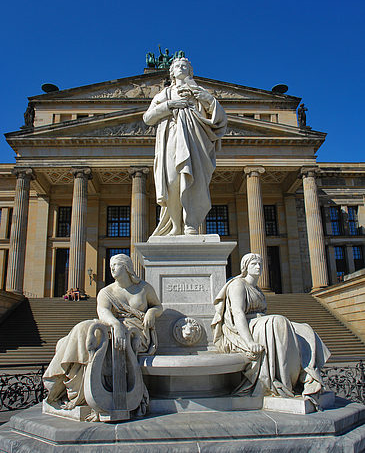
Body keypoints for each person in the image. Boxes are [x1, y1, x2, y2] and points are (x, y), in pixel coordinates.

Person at [44, 254, 162, 420]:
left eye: (116, 265)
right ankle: (64, 381)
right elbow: (103, 311)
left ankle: (68, 384)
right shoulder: (106, 292)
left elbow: (158, 306)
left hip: (137, 333)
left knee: (96, 334)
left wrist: (152, 311)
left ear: (127, 267)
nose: (112, 268)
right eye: (111, 265)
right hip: (114, 326)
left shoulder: (144, 288)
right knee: (86, 329)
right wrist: (115, 325)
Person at [211, 253, 330, 400]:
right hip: (244, 328)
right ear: (245, 267)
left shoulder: (258, 290)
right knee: (278, 322)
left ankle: (307, 375)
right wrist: (249, 342)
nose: (259, 267)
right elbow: (238, 313)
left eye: (260, 264)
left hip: (261, 324)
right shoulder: (238, 285)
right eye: (254, 264)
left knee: (303, 329)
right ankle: (284, 381)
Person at [143, 57, 227, 236]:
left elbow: (220, 118)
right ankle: (175, 225)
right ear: (171, 72)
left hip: (195, 141)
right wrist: (169, 105)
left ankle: (191, 224)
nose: (181, 68)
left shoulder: (200, 91)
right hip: (172, 139)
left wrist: (206, 99)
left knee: (192, 182)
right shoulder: (164, 94)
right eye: (177, 66)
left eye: (185, 66)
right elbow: (148, 118)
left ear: (190, 71)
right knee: (172, 181)